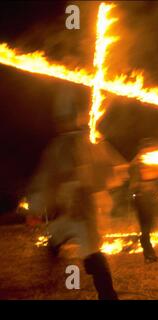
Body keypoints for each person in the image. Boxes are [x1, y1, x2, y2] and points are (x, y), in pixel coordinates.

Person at [27, 87, 128, 300]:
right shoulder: (57, 148)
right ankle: (52, 281)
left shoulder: (92, 144)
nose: (66, 122)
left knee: (92, 253)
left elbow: (111, 169)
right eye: (62, 118)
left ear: (76, 117)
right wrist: (36, 206)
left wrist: (118, 173)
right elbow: (46, 179)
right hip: (64, 211)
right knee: (55, 243)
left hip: (85, 211)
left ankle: (108, 296)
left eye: (68, 117)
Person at [129, 139, 158, 263]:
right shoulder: (139, 161)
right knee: (146, 227)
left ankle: (149, 254)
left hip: (148, 196)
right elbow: (139, 178)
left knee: (148, 226)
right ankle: (148, 254)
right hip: (142, 197)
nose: (153, 150)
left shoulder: (149, 160)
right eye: (150, 148)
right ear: (143, 149)